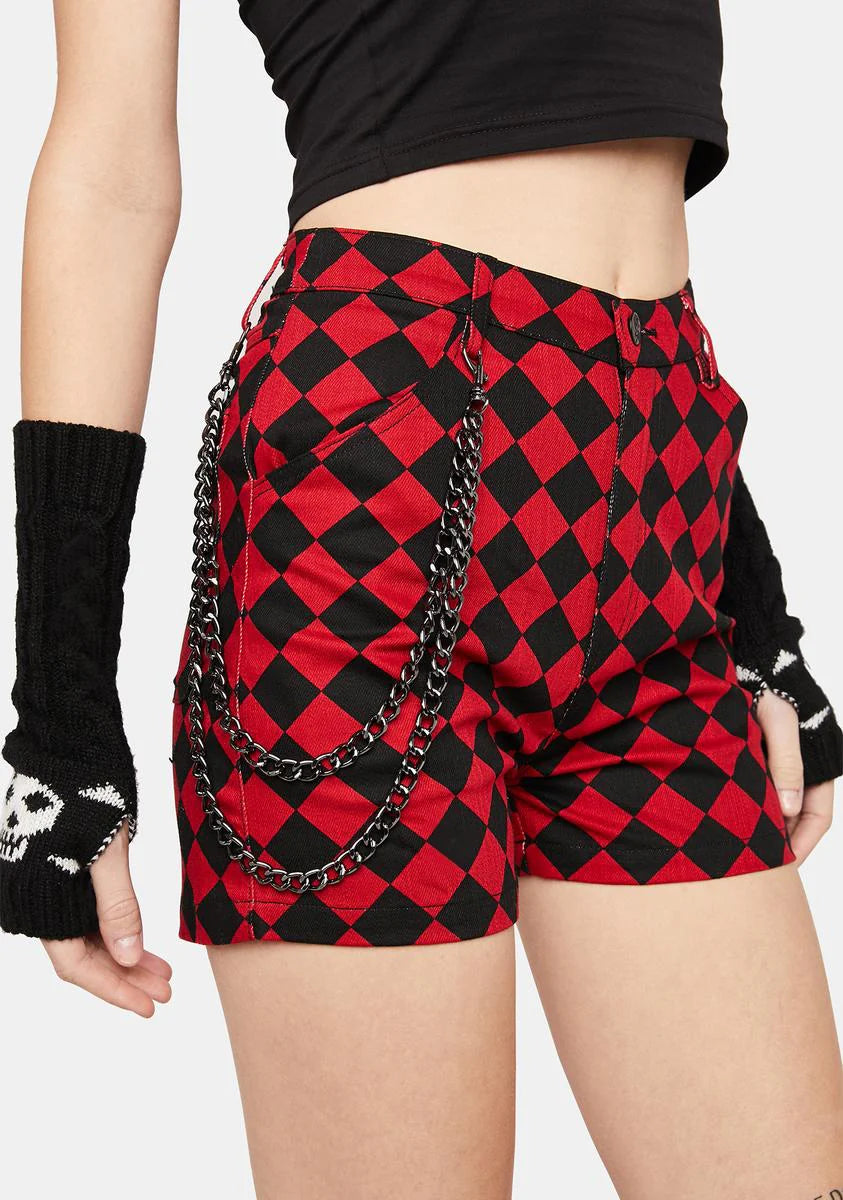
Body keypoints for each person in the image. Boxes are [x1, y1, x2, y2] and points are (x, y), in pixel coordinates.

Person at [2, 2, 842, 1196]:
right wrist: (62, 714)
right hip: (366, 505)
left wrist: (739, 582)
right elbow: (111, 176)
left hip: (654, 483)